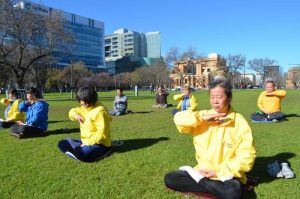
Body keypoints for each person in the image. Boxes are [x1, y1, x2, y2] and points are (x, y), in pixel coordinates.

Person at [164, 78, 256, 199]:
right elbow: (179, 118)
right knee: (170, 178)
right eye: (212, 97)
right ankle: (211, 187)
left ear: (229, 98)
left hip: (225, 175)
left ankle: (206, 185)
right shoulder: (204, 116)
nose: (215, 101)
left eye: (219, 97)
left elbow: (246, 156)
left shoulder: (239, 122)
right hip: (202, 171)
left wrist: (217, 172)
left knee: (232, 192)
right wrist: (201, 118)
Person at [58, 86, 112, 162]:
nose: (80, 103)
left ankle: (79, 152)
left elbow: (101, 133)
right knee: (62, 143)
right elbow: (72, 111)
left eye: (82, 102)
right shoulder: (84, 108)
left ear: (88, 100)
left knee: (83, 153)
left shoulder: (100, 112)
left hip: (100, 143)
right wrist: (76, 115)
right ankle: (77, 152)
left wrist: (87, 143)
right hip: (84, 140)